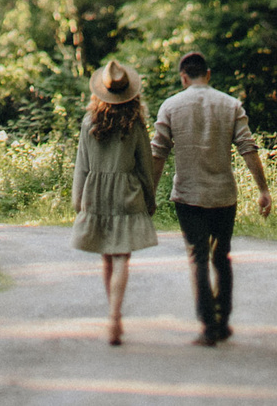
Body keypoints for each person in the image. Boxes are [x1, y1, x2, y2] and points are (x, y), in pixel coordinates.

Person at [150, 50, 271, 347]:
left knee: (198, 259)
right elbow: (248, 147)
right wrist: (263, 190)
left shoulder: (170, 106)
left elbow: (158, 153)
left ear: (183, 77)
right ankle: (223, 321)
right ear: (208, 74)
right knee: (221, 257)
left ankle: (208, 327)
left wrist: (149, 194)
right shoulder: (230, 105)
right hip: (223, 195)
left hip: (188, 195)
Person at [70, 60, 162, 345]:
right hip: (126, 193)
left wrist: (78, 199)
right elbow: (145, 165)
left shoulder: (89, 123)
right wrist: (149, 198)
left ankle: (113, 317)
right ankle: (114, 316)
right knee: (122, 256)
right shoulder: (135, 124)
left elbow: (82, 166)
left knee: (106, 256)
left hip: (96, 193)